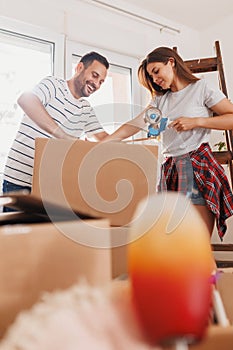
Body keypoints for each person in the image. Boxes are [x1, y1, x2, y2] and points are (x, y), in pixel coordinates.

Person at [103, 46, 233, 239]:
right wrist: (106, 141)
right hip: (170, 170)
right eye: (151, 76)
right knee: (176, 243)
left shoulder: (201, 88)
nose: (155, 79)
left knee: (197, 244)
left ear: (171, 62)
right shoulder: (159, 100)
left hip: (197, 166)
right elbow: (135, 124)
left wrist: (197, 121)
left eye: (156, 71)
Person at [2, 51, 109, 203]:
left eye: (101, 82)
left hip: (50, 187)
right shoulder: (53, 85)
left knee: (47, 228)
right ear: (79, 68)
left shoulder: (86, 109)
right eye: (94, 75)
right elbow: (26, 100)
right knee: (18, 227)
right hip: (19, 182)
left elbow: (104, 138)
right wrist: (64, 136)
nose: (96, 84)